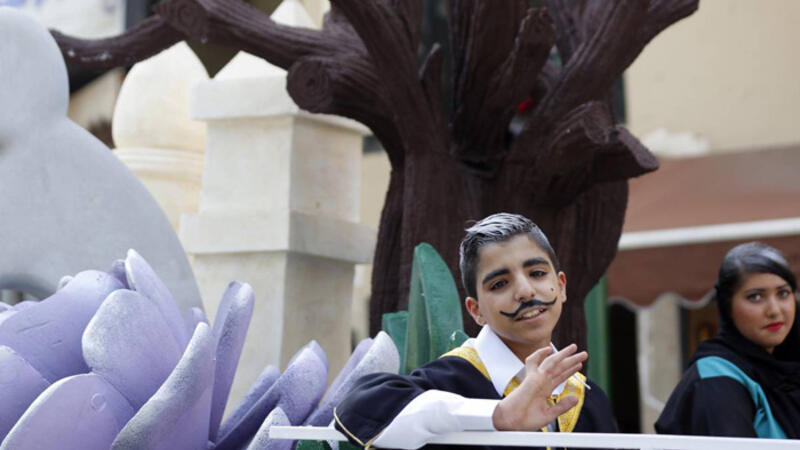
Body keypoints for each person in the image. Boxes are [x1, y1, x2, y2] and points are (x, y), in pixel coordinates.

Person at [334, 213, 617, 449]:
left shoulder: (590, 399)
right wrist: (499, 415)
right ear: (476, 310)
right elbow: (359, 407)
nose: (525, 291)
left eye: (537, 274)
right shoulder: (448, 379)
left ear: (562, 286)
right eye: (499, 284)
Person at [655, 242, 800, 438]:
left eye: (783, 293)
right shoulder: (716, 376)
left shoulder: (788, 369)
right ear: (727, 306)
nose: (774, 310)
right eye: (755, 297)